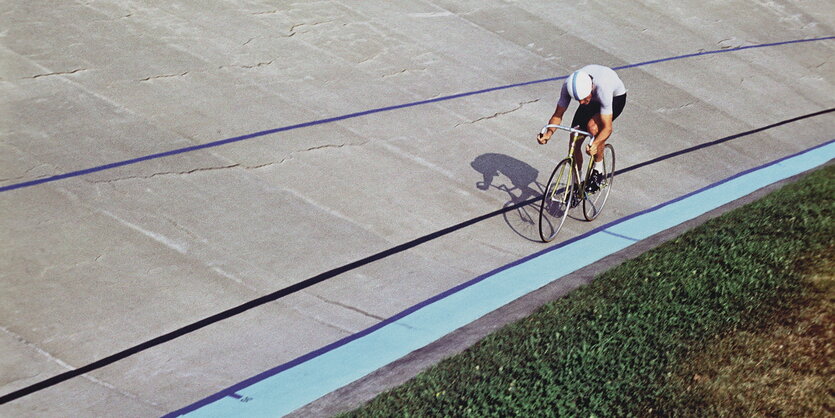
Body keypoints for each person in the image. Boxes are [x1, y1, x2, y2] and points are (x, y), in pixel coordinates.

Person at [537, 65, 627, 192]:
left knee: (593, 127)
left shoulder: (603, 88)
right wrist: (548, 133)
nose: (580, 103)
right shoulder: (568, 86)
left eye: (583, 99)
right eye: (578, 100)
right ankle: (576, 182)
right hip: (593, 98)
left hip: (614, 98)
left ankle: (598, 171)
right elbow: (557, 115)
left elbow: (607, 128)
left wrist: (595, 144)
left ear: (591, 88)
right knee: (574, 138)